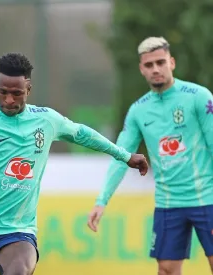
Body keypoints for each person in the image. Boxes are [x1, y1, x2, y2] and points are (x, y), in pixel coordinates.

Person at [0, 52, 149, 275]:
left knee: (19, 272)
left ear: (28, 89)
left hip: (16, 231)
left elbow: (82, 134)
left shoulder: (46, 120)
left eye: (17, 93)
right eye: (3, 92)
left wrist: (125, 155)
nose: (9, 100)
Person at [87, 37, 213, 275]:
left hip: (207, 198)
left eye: (160, 62)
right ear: (141, 69)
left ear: (171, 62)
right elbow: (121, 155)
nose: (155, 69)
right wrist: (101, 200)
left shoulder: (198, 97)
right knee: (165, 270)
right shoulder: (138, 110)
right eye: (149, 65)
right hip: (168, 204)